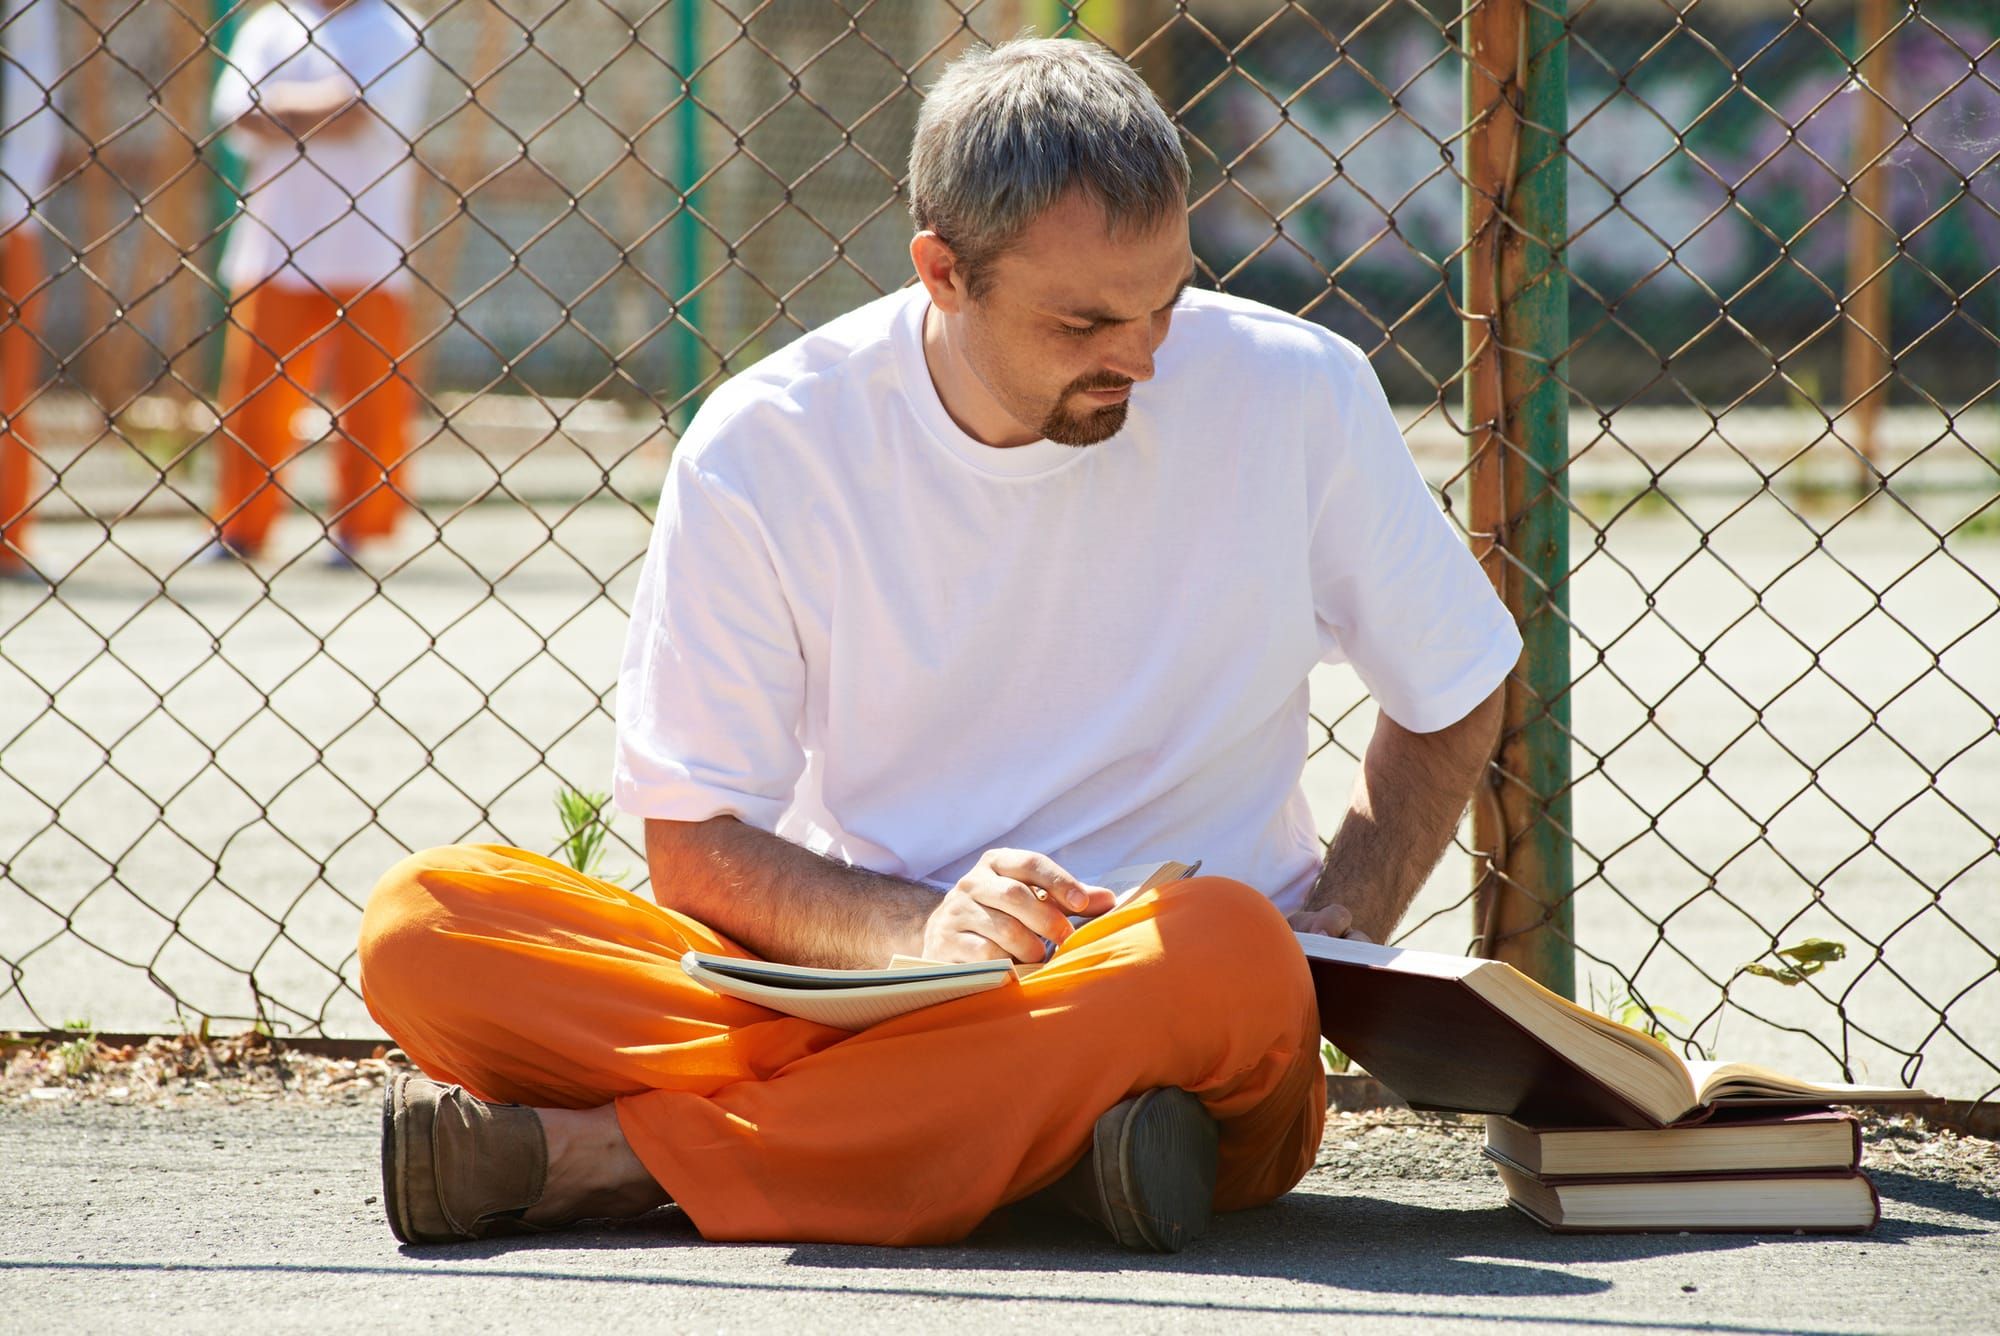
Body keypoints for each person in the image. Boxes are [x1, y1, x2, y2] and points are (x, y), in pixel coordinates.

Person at [358, 38, 1520, 1251]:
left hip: (1168, 1007)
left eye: (1168, 300)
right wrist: (921, 932)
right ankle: (1037, 1149)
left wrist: (1336, 923)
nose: (1142, 355)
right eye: (1085, 321)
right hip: (865, 991)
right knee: (426, 923)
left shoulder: (1296, 391)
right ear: (942, 272)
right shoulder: (765, 446)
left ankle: (618, 1159)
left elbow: (1453, 682)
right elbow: (695, 842)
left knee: (1226, 950)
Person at [204, 0, 430, 565]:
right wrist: (330, 103)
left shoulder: (396, 28)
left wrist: (279, 105)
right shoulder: (269, 25)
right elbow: (236, 113)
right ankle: (242, 526)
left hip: (367, 245)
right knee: (254, 394)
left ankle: (360, 529)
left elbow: (363, 113)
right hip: (274, 240)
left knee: (371, 396)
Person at [1, 0, 61, 580]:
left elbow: (32, 87)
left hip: (6, 214)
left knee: (7, 383)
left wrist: (10, 207)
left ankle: (4, 532)